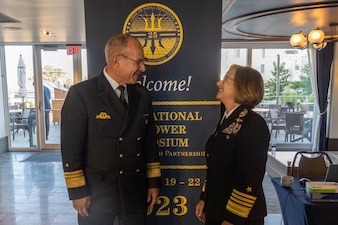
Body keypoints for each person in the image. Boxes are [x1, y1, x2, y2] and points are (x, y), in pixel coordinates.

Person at [61, 34, 161, 225]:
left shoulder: (142, 94)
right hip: (97, 195)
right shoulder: (82, 94)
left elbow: (150, 144)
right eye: (138, 62)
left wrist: (153, 183)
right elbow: (71, 150)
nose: (143, 68)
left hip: (134, 191)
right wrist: (78, 192)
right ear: (117, 60)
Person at [195, 64, 270, 225]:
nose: (219, 83)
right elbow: (216, 168)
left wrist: (232, 219)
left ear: (242, 87)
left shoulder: (254, 124)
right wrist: (204, 198)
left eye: (226, 79)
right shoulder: (227, 119)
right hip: (218, 208)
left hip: (240, 217)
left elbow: (250, 177)